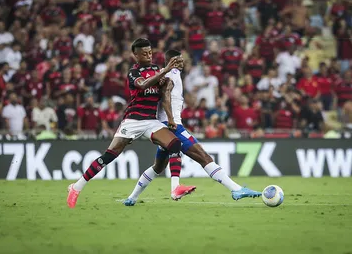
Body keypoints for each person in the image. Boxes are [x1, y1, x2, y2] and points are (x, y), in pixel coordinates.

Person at [124, 50, 262, 206]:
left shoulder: (165, 74)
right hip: (172, 125)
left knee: (158, 166)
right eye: (180, 60)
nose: (183, 62)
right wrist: (171, 120)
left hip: (163, 125)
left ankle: (132, 198)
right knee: (204, 157)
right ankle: (236, 189)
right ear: (172, 61)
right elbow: (165, 97)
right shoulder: (172, 73)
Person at [67, 38, 182, 208]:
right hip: (133, 120)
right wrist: (165, 70)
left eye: (150, 52)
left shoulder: (157, 70)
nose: (149, 55)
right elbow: (143, 86)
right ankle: (76, 187)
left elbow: (164, 94)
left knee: (175, 144)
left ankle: (175, 188)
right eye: (144, 53)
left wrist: (171, 116)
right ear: (136, 55)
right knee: (109, 156)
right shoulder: (133, 72)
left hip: (151, 121)